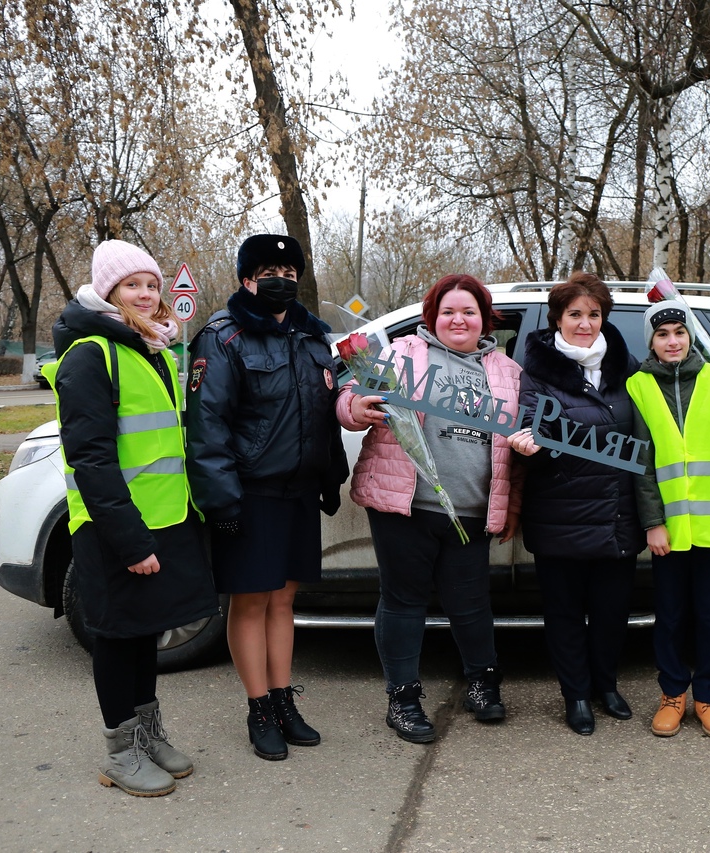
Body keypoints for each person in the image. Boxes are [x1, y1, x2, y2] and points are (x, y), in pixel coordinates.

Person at [45, 240, 219, 797]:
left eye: (151, 284)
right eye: (132, 285)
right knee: (119, 638)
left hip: (163, 522)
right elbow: (90, 459)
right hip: (115, 532)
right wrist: (130, 540)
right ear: (107, 291)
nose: (146, 294)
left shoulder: (152, 351)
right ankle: (121, 752)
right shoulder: (91, 355)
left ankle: (147, 732)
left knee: (148, 633)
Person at [337, 274, 523, 744]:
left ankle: (482, 684)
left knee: (471, 604)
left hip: (470, 512)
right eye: (447, 311)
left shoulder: (505, 370)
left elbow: (515, 449)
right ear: (432, 316)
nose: (457, 319)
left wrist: (510, 505)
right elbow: (347, 397)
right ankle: (402, 700)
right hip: (405, 507)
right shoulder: (401, 354)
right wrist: (354, 409)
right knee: (403, 603)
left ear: (484, 319)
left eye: (468, 311)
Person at [185, 234, 349, 761]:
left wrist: (330, 475)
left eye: (290, 270)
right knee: (251, 602)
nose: (282, 279)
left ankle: (284, 701)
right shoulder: (222, 337)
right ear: (246, 278)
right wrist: (222, 502)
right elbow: (207, 428)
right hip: (249, 493)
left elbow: (324, 411)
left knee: (284, 600)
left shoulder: (312, 335)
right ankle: (258, 707)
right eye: (269, 270)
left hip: (298, 490)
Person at [509, 272, 644, 736]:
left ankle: (606, 685)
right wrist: (532, 446)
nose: (585, 324)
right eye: (575, 315)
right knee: (565, 613)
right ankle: (577, 696)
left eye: (594, 315)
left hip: (618, 514)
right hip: (560, 515)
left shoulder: (629, 370)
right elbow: (532, 427)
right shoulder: (539, 374)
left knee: (611, 612)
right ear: (557, 319)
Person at [626, 301, 710, 739]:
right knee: (672, 616)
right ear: (652, 342)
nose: (672, 341)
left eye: (679, 331)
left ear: (690, 335)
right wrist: (652, 522)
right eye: (662, 334)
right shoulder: (638, 386)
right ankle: (673, 694)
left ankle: (709, 697)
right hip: (670, 530)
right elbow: (640, 460)